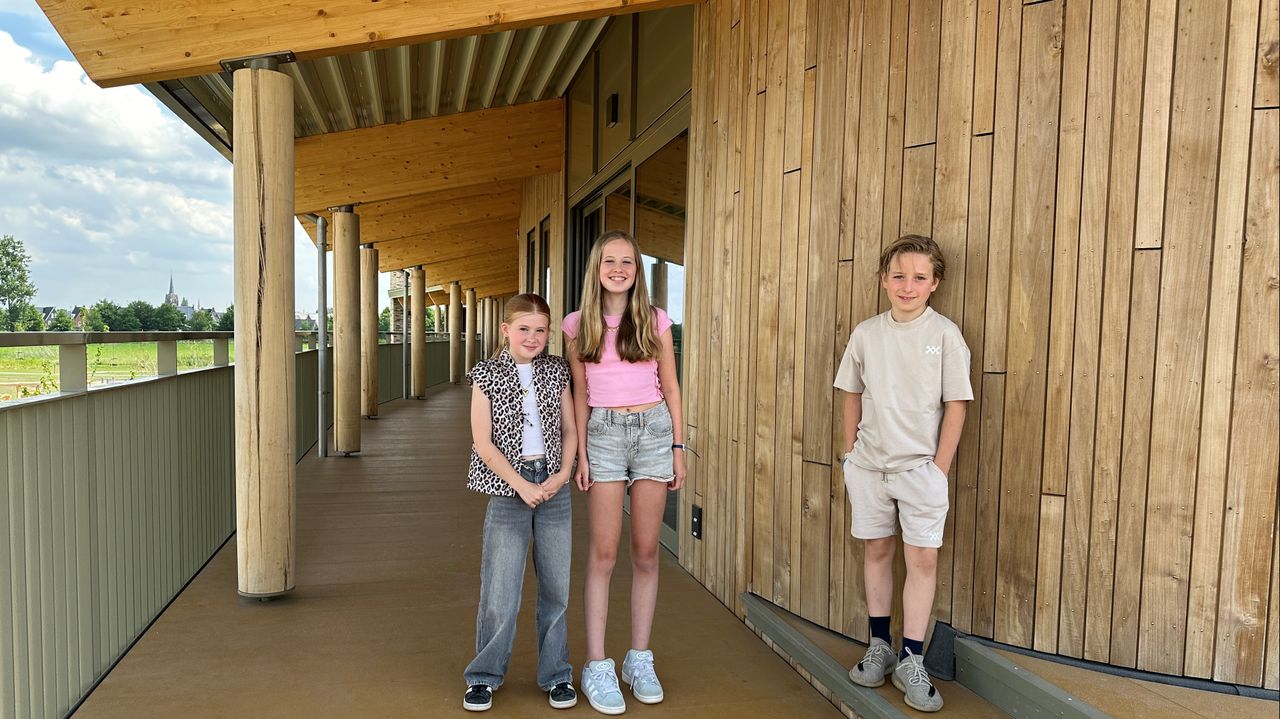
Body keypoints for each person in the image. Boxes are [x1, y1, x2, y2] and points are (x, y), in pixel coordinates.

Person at [834, 235, 971, 713]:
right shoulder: (867, 333)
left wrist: (939, 470)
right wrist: (849, 453)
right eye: (898, 276)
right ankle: (880, 645)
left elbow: (956, 406)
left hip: (921, 471)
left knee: (923, 561)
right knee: (876, 548)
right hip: (869, 466)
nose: (906, 285)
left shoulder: (945, 335)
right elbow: (850, 392)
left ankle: (912, 657)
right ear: (883, 279)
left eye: (918, 277)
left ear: (934, 283)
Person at [563, 230, 686, 716]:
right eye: (610, 261)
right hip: (604, 434)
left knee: (646, 551)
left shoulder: (655, 320)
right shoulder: (577, 325)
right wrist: (582, 453)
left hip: (654, 429)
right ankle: (598, 664)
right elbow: (578, 393)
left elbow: (672, 387)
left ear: (637, 271)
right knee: (604, 552)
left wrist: (678, 447)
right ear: (596, 267)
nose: (618, 269)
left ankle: (639, 658)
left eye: (628, 262)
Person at [462, 293, 579, 713]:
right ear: (506, 330)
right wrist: (520, 485)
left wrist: (563, 473)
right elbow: (483, 442)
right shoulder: (487, 374)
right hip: (508, 487)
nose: (533, 337)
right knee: (500, 590)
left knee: (556, 587)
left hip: (552, 484)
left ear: (549, 334)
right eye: (524, 328)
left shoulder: (555, 370)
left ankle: (556, 674)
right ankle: (484, 675)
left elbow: (569, 429)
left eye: (541, 330)